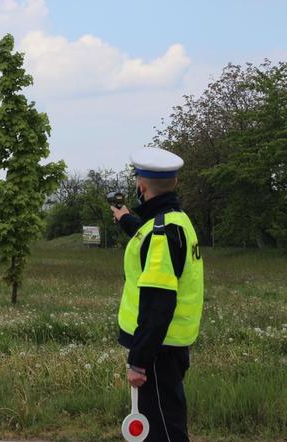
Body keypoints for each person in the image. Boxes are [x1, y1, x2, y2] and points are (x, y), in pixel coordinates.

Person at [111, 148, 204, 442]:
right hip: (170, 347)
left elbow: (158, 305)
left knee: (164, 432)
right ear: (174, 183)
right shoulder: (176, 221)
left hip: (157, 350)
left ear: (141, 187)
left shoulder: (162, 233)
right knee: (165, 421)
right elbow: (151, 240)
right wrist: (127, 220)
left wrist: (139, 361)